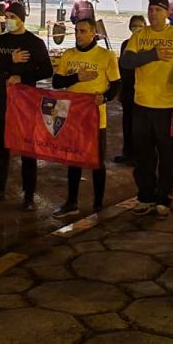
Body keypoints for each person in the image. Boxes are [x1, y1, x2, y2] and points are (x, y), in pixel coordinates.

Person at [120, 0, 173, 219]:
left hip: (168, 106)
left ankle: (164, 197)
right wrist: (153, 54)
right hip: (141, 105)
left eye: (158, 10)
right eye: (151, 9)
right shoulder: (139, 36)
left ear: (167, 13)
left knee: (168, 155)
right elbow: (126, 61)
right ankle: (145, 196)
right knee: (143, 155)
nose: (153, 14)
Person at [0, 1, 53, 208]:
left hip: (25, 103)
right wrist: (10, 60)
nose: (9, 20)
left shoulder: (34, 43)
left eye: (12, 17)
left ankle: (29, 195)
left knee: (27, 149)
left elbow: (47, 70)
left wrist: (22, 77)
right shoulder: (0, 41)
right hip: (2, 101)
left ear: (22, 19)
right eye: (7, 17)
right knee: (0, 146)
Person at [51, 18, 121, 220]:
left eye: (83, 31)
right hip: (73, 117)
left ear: (93, 33)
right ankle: (71, 202)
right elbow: (56, 82)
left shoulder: (106, 56)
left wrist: (105, 97)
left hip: (95, 118)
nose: (78, 35)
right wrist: (76, 78)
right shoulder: (68, 54)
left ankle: (98, 204)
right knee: (74, 160)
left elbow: (116, 85)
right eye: (76, 31)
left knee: (97, 162)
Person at [114, 15, 146, 165]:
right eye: (134, 25)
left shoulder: (147, 46)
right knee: (127, 123)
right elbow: (122, 66)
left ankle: (139, 155)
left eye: (140, 26)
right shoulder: (126, 44)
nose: (136, 28)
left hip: (142, 91)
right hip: (127, 90)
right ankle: (127, 152)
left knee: (139, 126)